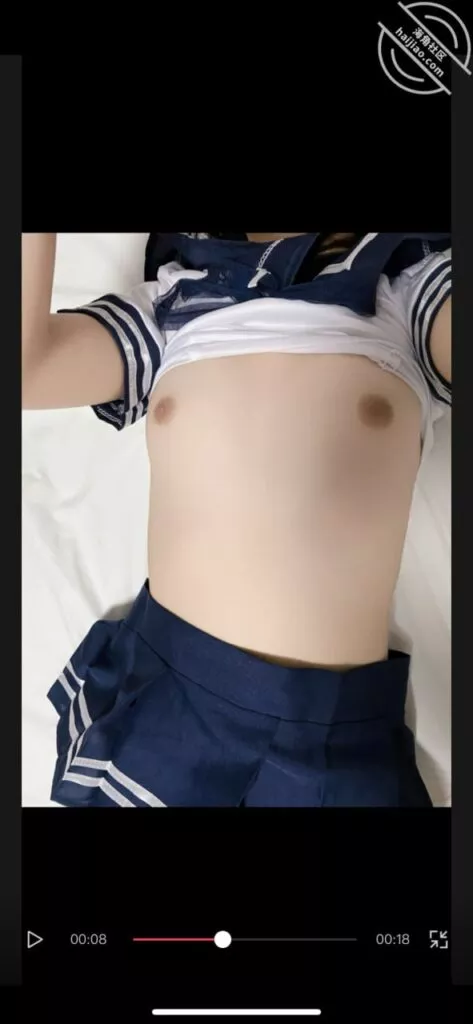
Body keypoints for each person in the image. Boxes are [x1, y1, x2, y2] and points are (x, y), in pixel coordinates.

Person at [22, 231, 451, 808]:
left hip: (329, 739)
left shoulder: (408, 284)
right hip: (167, 698)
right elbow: (27, 369)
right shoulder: (172, 301)